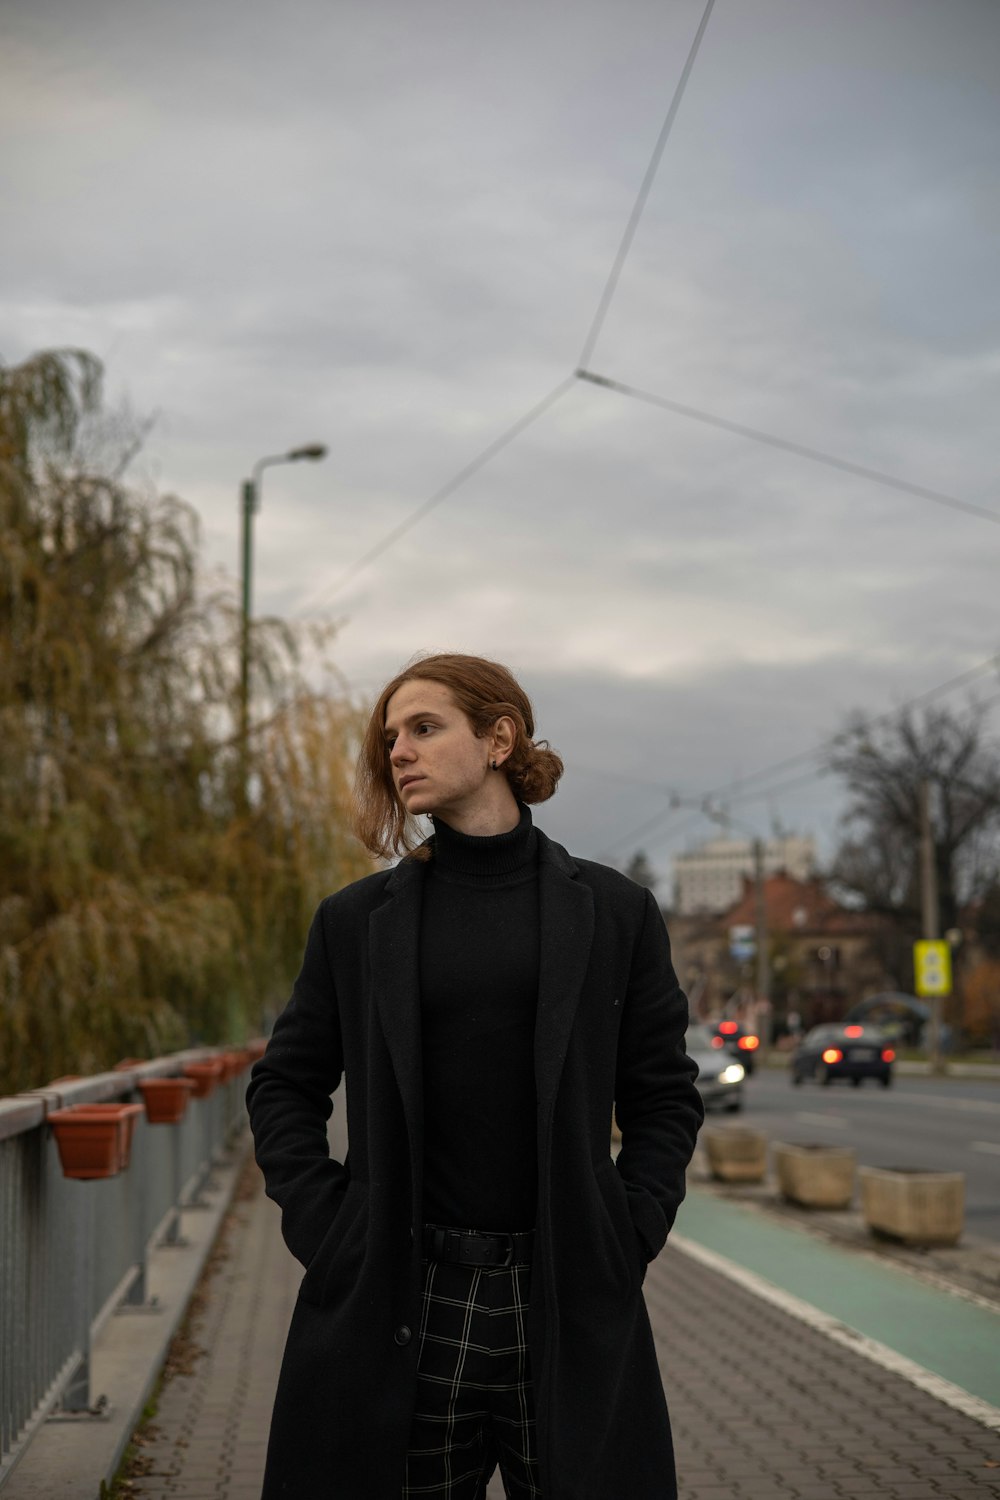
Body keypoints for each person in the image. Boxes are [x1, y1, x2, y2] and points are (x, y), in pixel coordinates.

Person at [247, 652, 703, 1500]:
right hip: (401, 1301)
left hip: (565, 1296)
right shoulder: (354, 922)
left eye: (425, 727)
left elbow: (664, 1092)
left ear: (500, 738)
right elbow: (284, 1084)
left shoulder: (613, 912)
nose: (400, 752)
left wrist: (629, 1227)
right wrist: (329, 1228)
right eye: (391, 737)